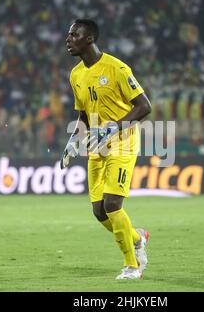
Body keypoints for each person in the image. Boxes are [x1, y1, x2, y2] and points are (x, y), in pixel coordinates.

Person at [60, 19, 152, 280]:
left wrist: (112, 129)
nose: (68, 39)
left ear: (89, 39)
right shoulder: (76, 74)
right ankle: (137, 237)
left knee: (113, 204)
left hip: (122, 142)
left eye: (74, 34)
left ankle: (133, 265)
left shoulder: (116, 68)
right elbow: (84, 116)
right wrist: (73, 142)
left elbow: (144, 106)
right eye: (68, 34)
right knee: (99, 211)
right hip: (96, 145)